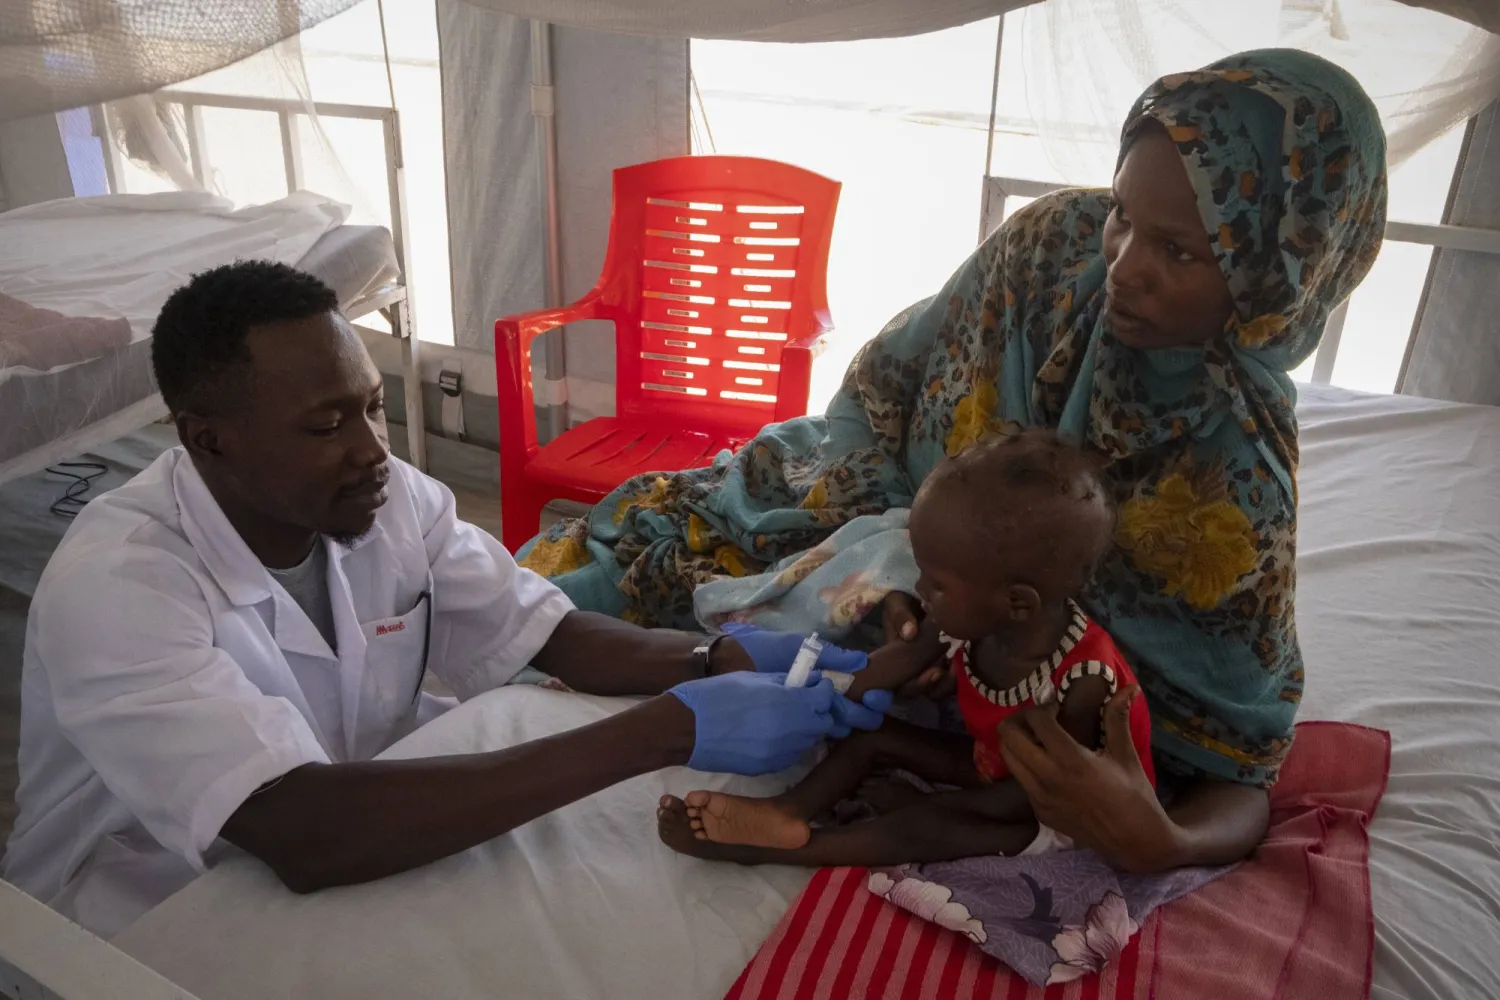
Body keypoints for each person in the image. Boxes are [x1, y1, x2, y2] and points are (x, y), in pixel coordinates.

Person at [520, 49, 1389, 874]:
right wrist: (908, 555)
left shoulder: (1238, 472)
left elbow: (1242, 765)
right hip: (875, 505)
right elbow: (888, 381)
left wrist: (1163, 839)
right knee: (556, 604)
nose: (1123, 266)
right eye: (1125, 215)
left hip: (985, 676)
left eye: (1182, 252)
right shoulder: (1052, 249)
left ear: (1278, 274)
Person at [2, 261, 895, 938]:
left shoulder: (387, 502)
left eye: (371, 408)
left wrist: (722, 657)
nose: (370, 450)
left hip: (363, 821)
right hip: (146, 906)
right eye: (327, 425)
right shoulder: (119, 589)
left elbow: (554, 633)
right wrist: (667, 725)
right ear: (208, 440)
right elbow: (301, 829)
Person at [656, 430, 1157, 866]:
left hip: (1057, 813)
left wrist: (932, 802)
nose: (918, 587)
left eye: (935, 583)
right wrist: (791, 700)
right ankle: (784, 812)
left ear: (1017, 603)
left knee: (927, 826)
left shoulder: (1084, 682)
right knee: (871, 738)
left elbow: (1039, 796)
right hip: (989, 765)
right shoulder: (978, 617)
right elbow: (875, 674)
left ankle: (777, 850)